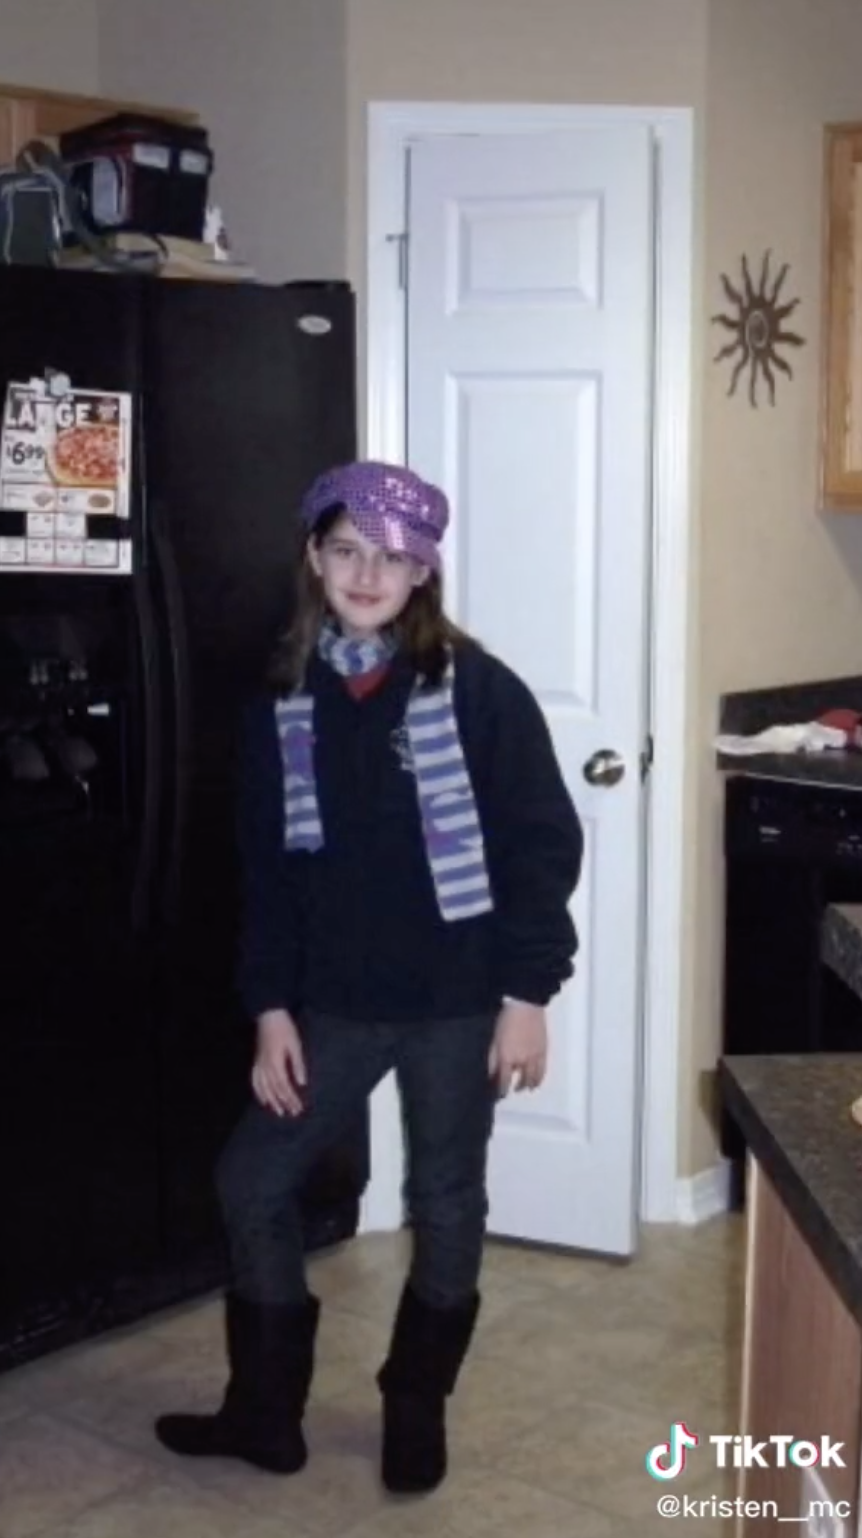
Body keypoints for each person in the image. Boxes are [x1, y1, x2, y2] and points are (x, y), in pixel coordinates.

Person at [154, 460, 584, 1495]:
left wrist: (528, 996)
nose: (366, 571)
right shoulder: (280, 701)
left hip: (457, 1002)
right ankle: (264, 1411)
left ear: (421, 571)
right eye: (346, 547)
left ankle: (414, 1402)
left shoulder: (477, 692)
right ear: (313, 554)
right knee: (250, 1179)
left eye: (392, 555)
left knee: (445, 1199)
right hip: (333, 1005)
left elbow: (540, 846)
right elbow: (267, 869)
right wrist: (267, 1009)